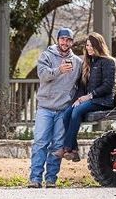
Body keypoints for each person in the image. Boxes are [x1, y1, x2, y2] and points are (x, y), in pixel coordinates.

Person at [29, 27, 83, 188]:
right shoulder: (47, 55)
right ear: (57, 40)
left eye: (68, 40)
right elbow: (43, 75)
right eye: (62, 39)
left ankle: (51, 179)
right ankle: (35, 178)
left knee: (58, 145)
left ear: (72, 42)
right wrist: (59, 70)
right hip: (45, 108)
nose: (65, 42)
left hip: (63, 109)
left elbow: (81, 84)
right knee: (40, 142)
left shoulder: (78, 62)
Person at [54, 32, 116, 162]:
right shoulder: (88, 62)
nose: (88, 48)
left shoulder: (108, 62)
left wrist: (89, 97)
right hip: (89, 99)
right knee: (67, 113)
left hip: (103, 100)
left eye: (92, 45)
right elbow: (82, 86)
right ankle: (74, 150)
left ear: (99, 46)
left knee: (77, 111)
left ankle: (66, 148)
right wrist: (78, 98)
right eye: (87, 45)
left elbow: (108, 86)